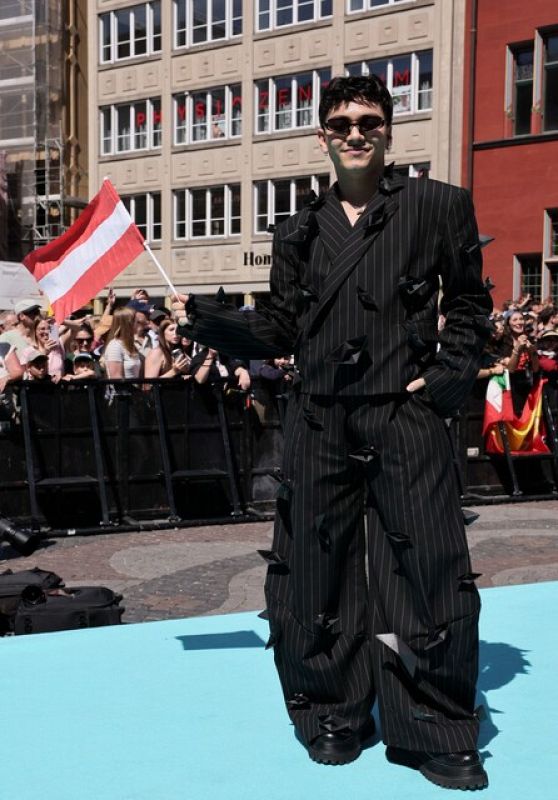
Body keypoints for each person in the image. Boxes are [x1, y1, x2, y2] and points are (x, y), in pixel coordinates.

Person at [172, 75, 492, 790]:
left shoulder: (438, 207)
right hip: (318, 416)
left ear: (388, 130)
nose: (356, 132)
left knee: (431, 568)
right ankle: (331, 712)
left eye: (369, 121)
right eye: (342, 122)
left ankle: (439, 726)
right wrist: (208, 321)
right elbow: (282, 330)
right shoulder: (298, 229)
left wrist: (443, 381)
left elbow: (471, 306)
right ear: (322, 134)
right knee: (315, 571)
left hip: (403, 413)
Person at [103, 307, 142, 379]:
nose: (139, 325)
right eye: (137, 322)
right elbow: (116, 378)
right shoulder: (115, 346)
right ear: (128, 324)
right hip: (122, 390)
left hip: (133, 389)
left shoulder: (132, 345)